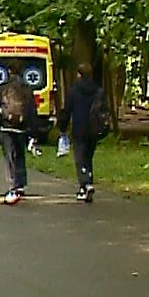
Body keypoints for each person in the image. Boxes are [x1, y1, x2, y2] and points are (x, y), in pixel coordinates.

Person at [57, 62, 108, 202]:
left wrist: (62, 127)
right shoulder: (98, 90)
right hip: (94, 129)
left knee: (80, 159)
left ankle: (85, 183)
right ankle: (86, 185)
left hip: (79, 128)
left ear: (79, 74)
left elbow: (67, 111)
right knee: (88, 157)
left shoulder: (73, 91)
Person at [0, 66, 39, 205]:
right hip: (21, 128)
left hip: (6, 128)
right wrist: (32, 131)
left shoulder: (2, 88)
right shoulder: (27, 89)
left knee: (9, 157)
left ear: (9, 72)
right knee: (20, 155)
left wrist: (2, 121)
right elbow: (32, 112)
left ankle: (13, 186)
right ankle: (21, 184)